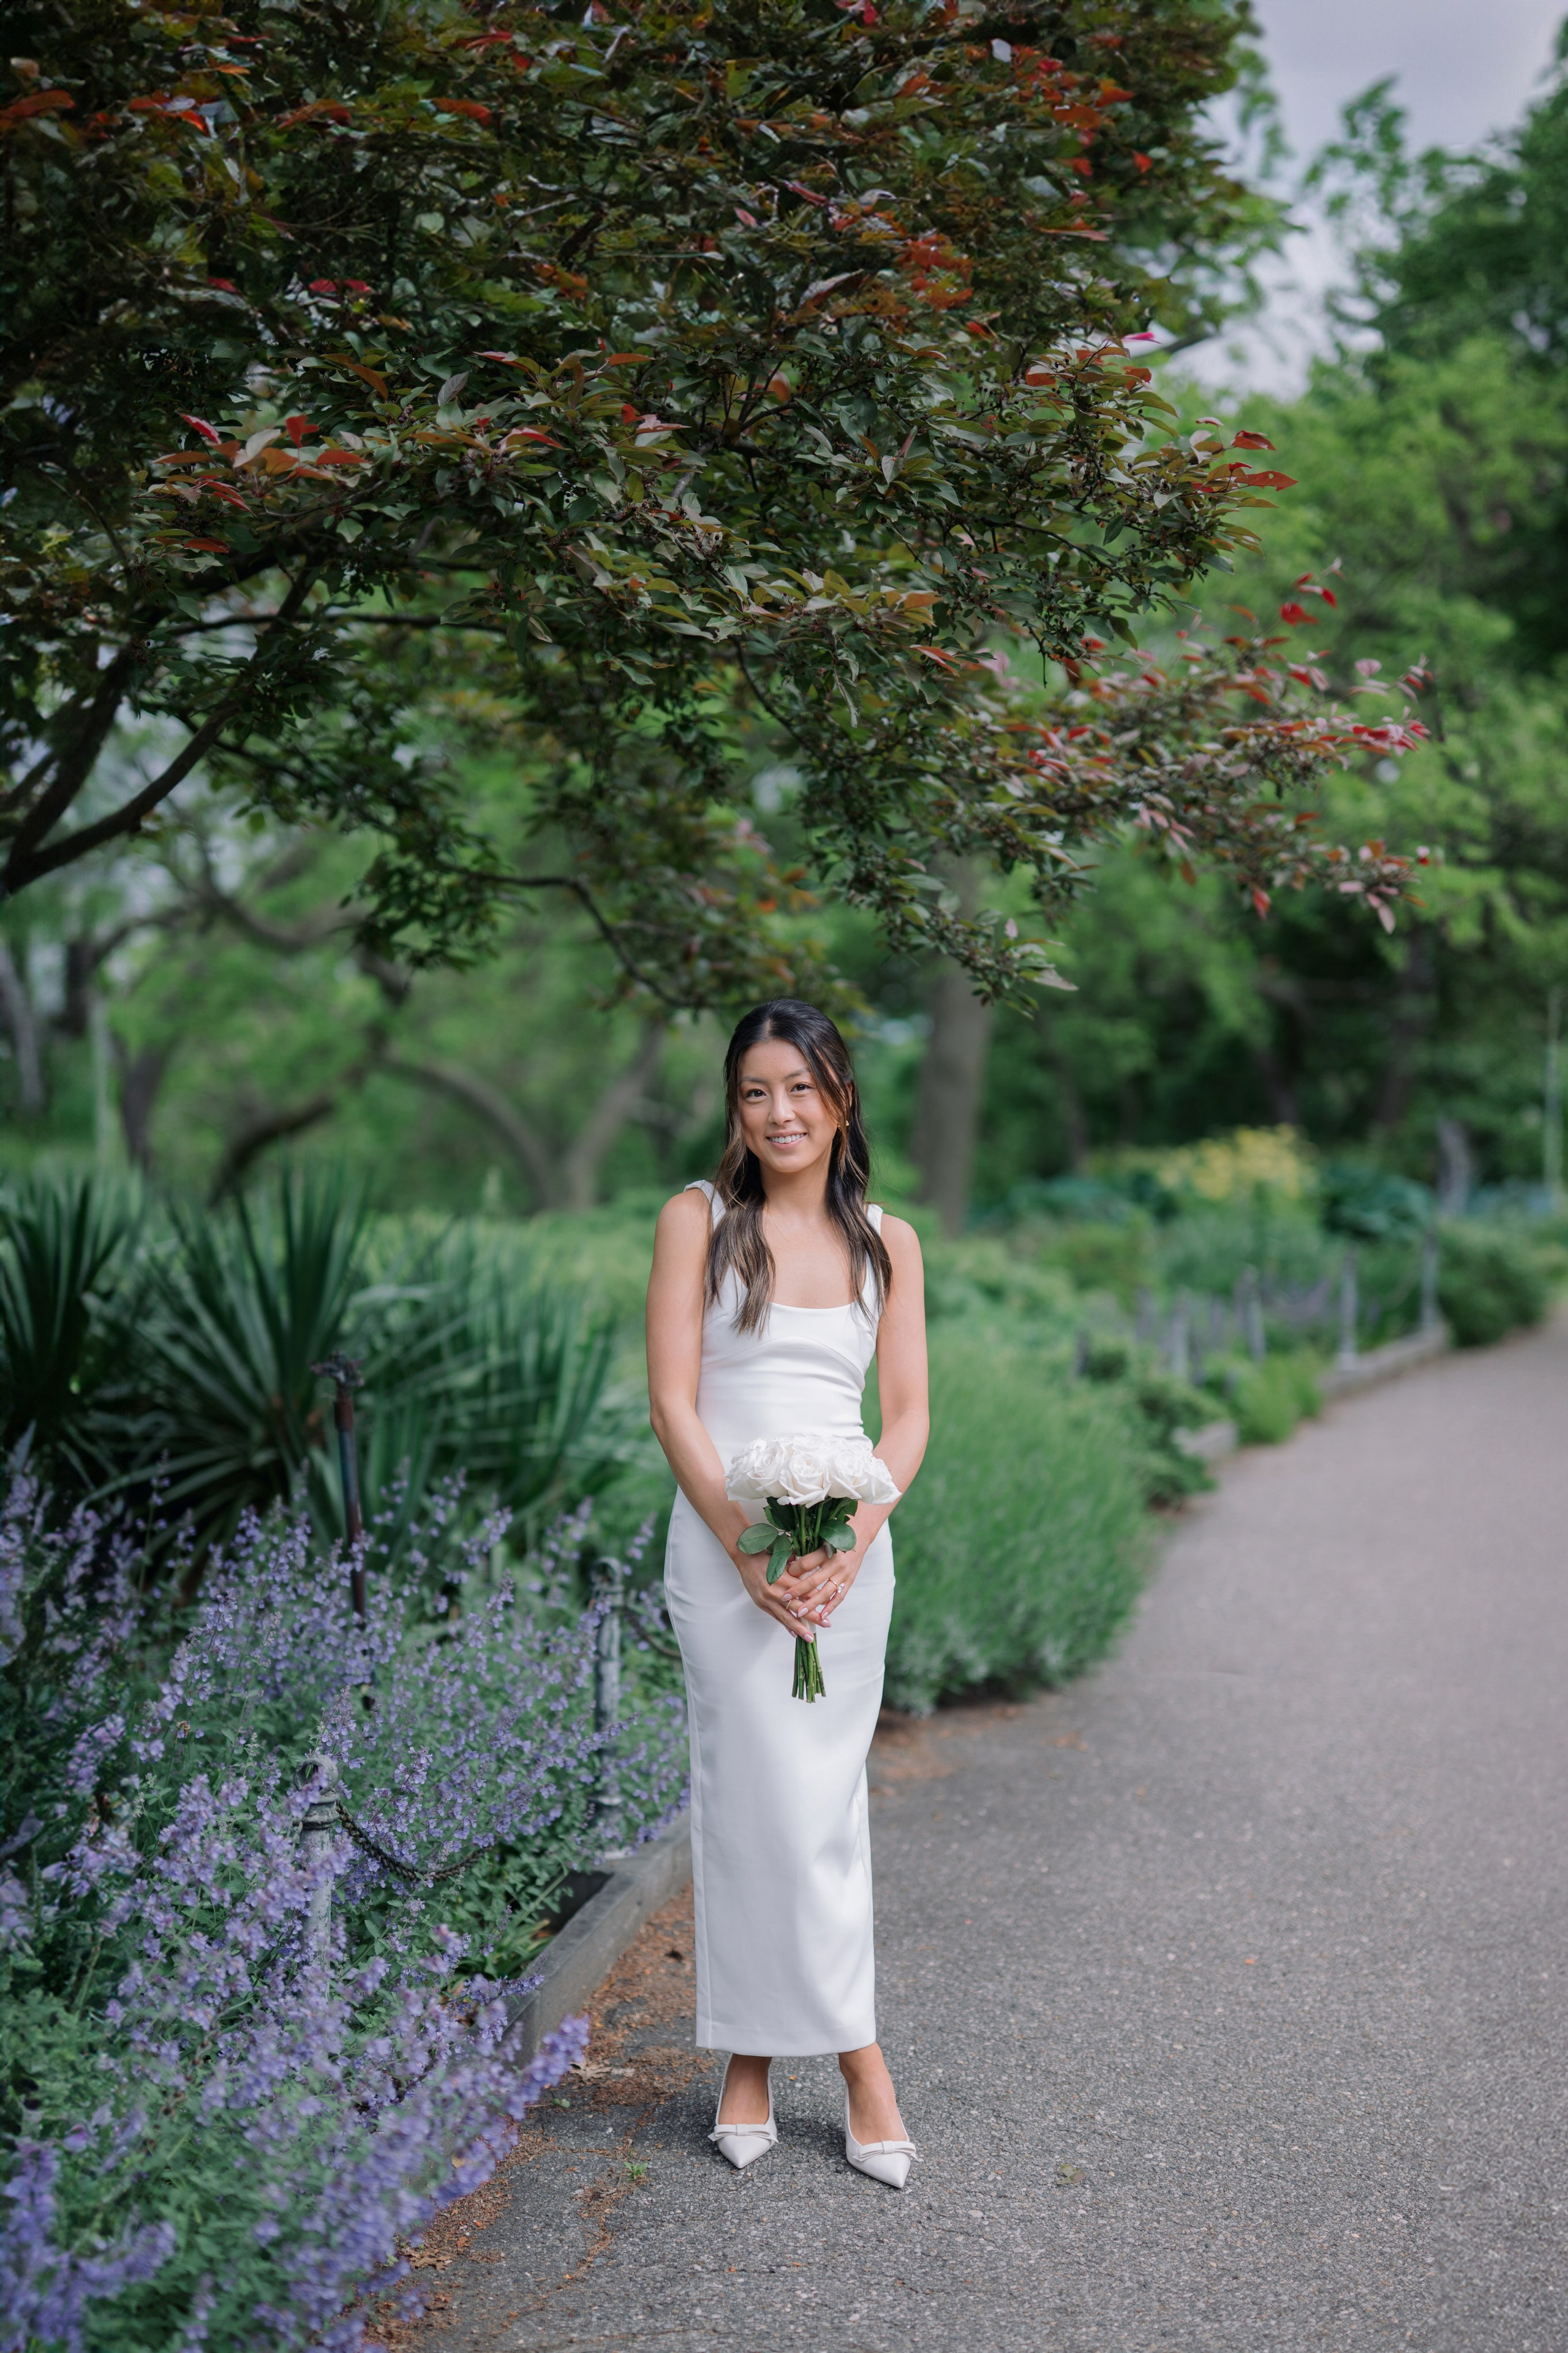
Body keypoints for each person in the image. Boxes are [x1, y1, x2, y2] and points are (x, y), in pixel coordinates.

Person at [647, 999, 929, 2188]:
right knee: (751, 1799)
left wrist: (852, 1539)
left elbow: (906, 1417)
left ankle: (762, 2061)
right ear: (735, 1106)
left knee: (820, 1812)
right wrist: (744, 1548)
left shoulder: (886, 1241)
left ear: (840, 1099)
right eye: (756, 1091)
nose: (780, 1112)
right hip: (725, 1556)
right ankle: (852, 2059)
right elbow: (673, 1400)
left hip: (842, 1564)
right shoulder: (696, 1223)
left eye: (801, 1088)